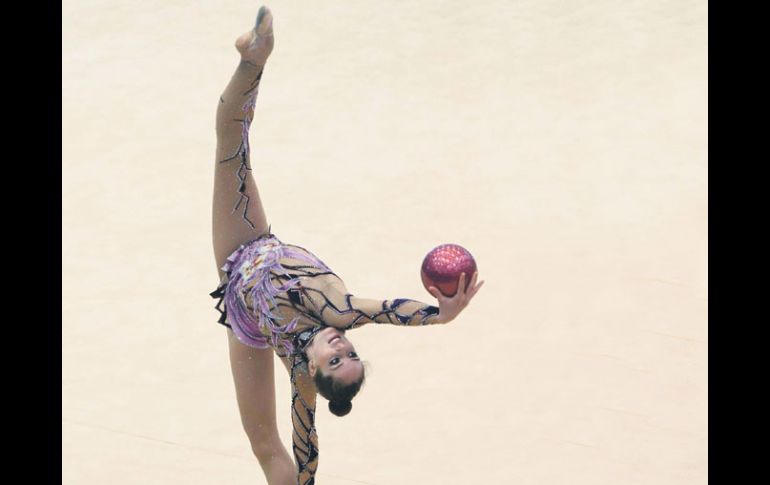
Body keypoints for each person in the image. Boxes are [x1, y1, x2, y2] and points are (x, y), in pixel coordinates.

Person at [209, 6, 485, 485]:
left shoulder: (301, 382)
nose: (342, 347)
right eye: (352, 355)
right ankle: (253, 59)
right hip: (256, 244)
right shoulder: (337, 310)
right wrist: (438, 315)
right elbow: (386, 310)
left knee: (266, 446)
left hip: (244, 311)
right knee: (233, 146)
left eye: (334, 361)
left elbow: (306, 445)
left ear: (314, 370)